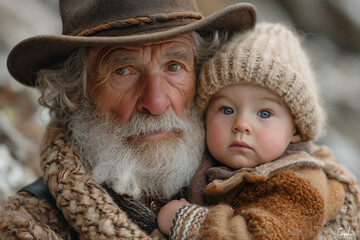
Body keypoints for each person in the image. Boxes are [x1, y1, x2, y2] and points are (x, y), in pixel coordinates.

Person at [0, 0, 257, 239]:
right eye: (123, 71)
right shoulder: (30, 225)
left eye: (174, 66)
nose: (156, 104)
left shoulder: (262, 176)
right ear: (74, 90)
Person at [157, 23, 360, 239]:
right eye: (226, 109)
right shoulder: (192, 158)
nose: (241, 124)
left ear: (296, 131)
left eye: (264, 113)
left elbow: (263, 234)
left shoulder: (299, 182)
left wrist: (187, 221)